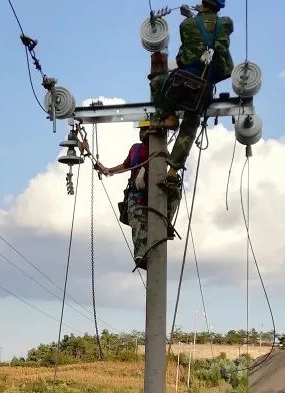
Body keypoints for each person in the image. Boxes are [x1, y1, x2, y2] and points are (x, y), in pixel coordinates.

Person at [153, 0, 234, 185]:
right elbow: (213, 34)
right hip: (204, 86)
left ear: (203, 3)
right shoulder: (226, 23)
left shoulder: (187, 24)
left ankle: (168, 116)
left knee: (159, 83)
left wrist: (193, 16)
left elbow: (191, 38)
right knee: (191, 123)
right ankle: (173, 169)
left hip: (183, 81)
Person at [94, 120, 151, 270]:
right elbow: (127, 165)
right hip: (136, 193)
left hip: (153, 193)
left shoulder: (158, 147)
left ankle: (145, 253)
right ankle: (141, 255)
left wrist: (144, 170)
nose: (142, 133)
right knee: (137, 221)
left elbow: (163, 161)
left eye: (145, 130)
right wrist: (108, 170)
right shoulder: (136, 149)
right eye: (141, 130)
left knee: (150, 224)